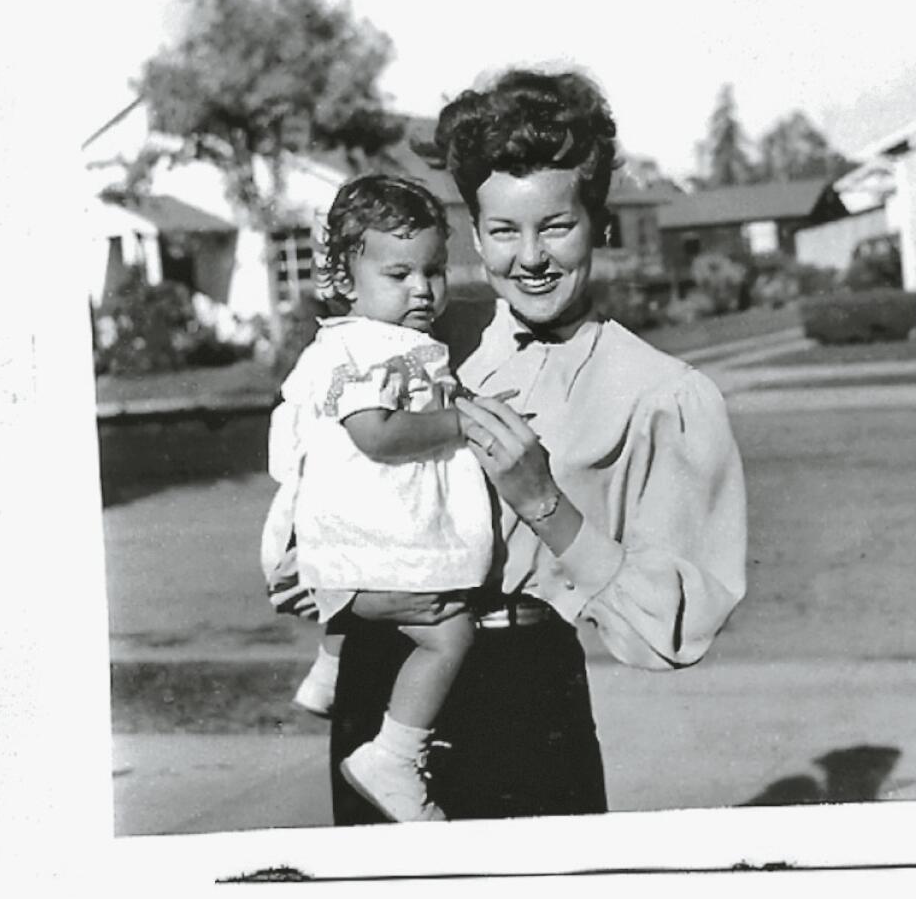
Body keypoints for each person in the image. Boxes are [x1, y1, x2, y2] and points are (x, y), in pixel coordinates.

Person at [273, 68, 748, 822]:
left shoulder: (661, 394)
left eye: (555, 225)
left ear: (600, 221)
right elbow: (318, 456)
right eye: (502, 230)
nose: (530, 256)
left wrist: (545, 504)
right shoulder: (410, 331)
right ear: (475, 232)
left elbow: (673, 629)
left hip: (522, 696)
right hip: (381, 679)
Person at [261, 174, 507, 822]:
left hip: (354, 538)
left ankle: (328, 667)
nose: (422, 289)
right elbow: (376, 433)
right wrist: (461, 421)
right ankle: (394, 755)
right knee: (450, 635)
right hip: (369, 537)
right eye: (399, 274)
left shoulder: (377, 342)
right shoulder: (364, 348)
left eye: (433, 270)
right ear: (345, 278)